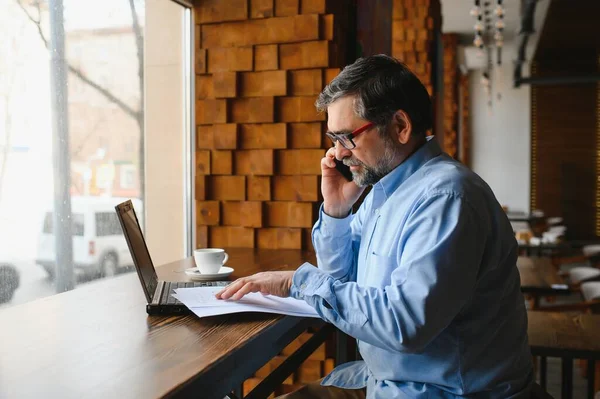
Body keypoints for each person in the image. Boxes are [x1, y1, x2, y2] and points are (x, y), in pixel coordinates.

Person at [216, 55, 533, 398]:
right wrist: (337, 210)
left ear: (399, 126)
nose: (336, 153)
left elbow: (404, 325)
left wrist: (295, 282)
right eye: (332, 138)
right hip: (388, 382)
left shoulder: (446, 198)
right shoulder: (385, 191)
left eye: (346, 137)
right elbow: (340, 278)